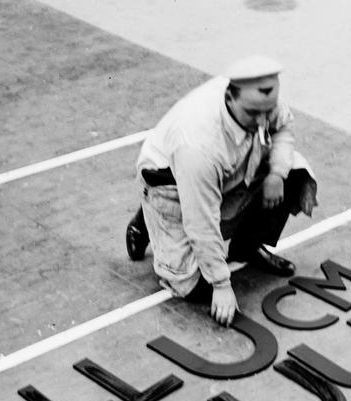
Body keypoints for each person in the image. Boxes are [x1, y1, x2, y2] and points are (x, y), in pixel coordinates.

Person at [126, 55, 317, 326]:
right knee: (193, 288)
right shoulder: (198, 145)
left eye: (267, 111)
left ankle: (246, 247)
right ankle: (147, 218)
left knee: (295, 174)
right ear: (229, 98)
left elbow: (282, 126)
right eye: (253, 114)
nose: (263, 120)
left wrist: (276, 173)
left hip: (228, 163)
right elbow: (200, 223)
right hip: (170, 184)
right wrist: (220, 284)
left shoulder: (259, 101)